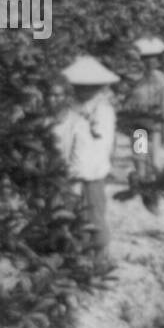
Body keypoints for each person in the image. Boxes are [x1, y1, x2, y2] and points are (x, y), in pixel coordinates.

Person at [54, 56, 119, 270]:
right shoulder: (70, 107)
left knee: (143, 148)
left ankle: (145, 173)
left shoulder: (103, 109)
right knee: (71, 213)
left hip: (143, 127)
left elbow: (100, 143)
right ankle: (76, 253)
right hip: (137, 126)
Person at [125, 37, 164, 181]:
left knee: (154, 153)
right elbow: (127, 99)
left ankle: (150, 178)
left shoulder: (161, 77)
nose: (150, 63)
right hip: (138, 120)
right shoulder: (134, 77)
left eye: (154, 60)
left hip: (154, 120)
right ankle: (141, 176)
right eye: (146, 60)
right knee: (140, 153)